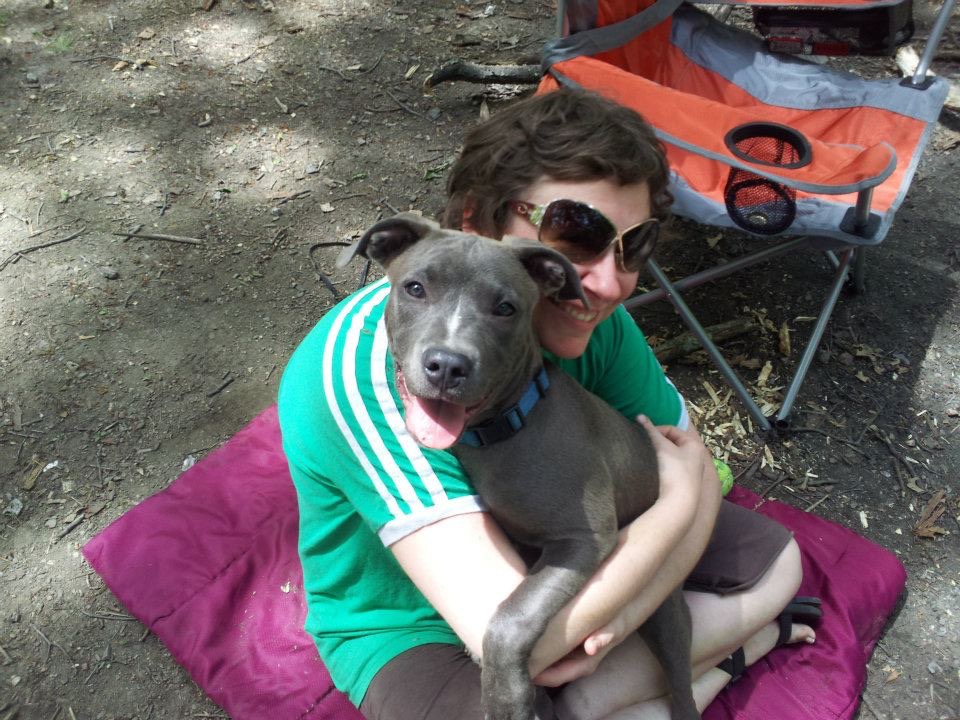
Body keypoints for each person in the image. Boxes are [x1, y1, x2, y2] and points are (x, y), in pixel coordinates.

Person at [278, 88, 816, 720]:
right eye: (576, 234)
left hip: (554, 559)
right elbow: (520, 646)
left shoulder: (587, 317)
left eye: (634, 245)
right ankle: (681, 679)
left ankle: (614, 696)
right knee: (517, 694)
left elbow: (689, 461)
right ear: (477, 221)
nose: (608, 281)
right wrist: (670, 523)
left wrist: (634, 585)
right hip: (415, 626)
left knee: (780, 563)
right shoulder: (373, 377)